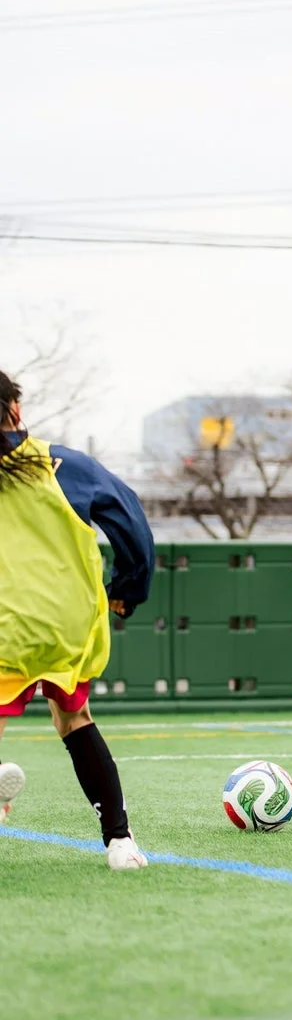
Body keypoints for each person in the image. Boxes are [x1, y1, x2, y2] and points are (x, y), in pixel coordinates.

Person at [0, 371, 155, 868]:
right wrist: (128, 591)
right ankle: (120, 841)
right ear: (16, 410)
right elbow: (131, 523)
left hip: (5, 625)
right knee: (73, 719)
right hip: (67, 624)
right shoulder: (62, 464)